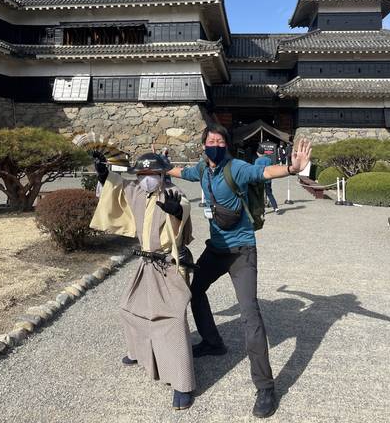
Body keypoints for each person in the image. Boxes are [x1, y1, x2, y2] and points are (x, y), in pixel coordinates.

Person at [168, 124, 312, 419]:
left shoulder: (238, 168)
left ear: (227, 145)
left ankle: (265, 387)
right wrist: (156, 166)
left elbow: (265, 173)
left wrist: (292, 168)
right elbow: (181, 173)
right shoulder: (202, 170)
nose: (215, 144)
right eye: (211, 140)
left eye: (220, 140)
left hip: (242, 251)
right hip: (216, 250)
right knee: (194, 292)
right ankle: (212, 342)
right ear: (203, 144)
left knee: (250, 315)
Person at [90, 152, 195, 411]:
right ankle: (138, 352)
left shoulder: (172, 192)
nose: (147, 179)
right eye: (143, 174)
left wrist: (176, 211)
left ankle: (183, 384)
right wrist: (104, 175)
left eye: (152, 174)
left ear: (162, 174)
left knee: (172, 320)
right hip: (145, 263)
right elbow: (119, 188)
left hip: (168, 264)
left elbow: (184, 207)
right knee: (130, 307)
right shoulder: (139, 191)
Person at [255, 145, 280, 215]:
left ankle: (262, 210)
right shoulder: (269, 159)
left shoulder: (257, 160)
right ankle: (276, 208)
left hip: (260, 179)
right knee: (269, 194)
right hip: (268, 179)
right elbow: (272, 168)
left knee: (260, 195)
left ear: (258, 153)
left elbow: (255, 170)